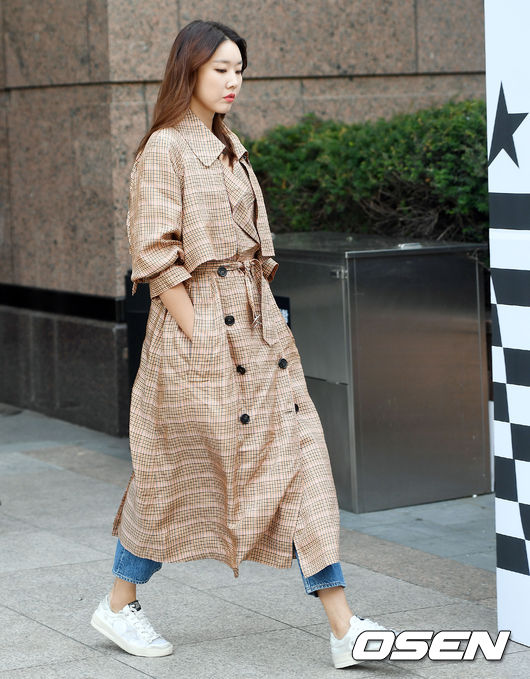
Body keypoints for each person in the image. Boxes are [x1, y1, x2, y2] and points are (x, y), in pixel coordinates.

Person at [90, 19, 389, 669]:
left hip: (260, 333)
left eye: (240, 70)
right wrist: (201, 338)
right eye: (221, 68)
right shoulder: (166, 149)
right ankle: (118, 603)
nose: (234, 81)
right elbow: (155, 257)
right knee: (176, 479)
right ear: (189, 69)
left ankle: (344, 627)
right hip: (199, 339)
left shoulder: (230, 145)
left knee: (303, 461)